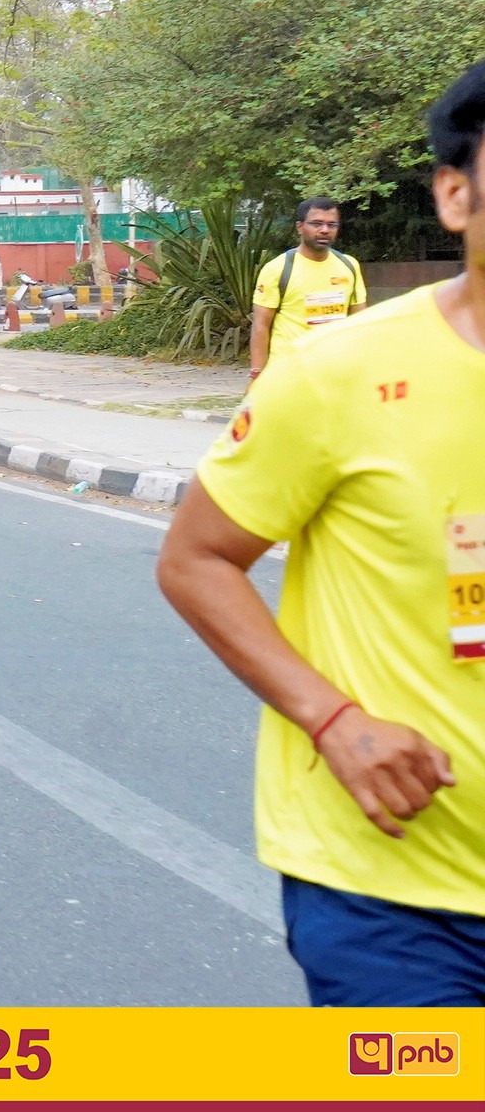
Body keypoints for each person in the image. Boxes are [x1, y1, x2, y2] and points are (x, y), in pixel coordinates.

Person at [156, 62, 485, 1007]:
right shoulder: (341, 375)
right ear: (454, 196)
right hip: (396, 898)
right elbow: (195, 558)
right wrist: (333, 720)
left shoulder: (346, 276)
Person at [249, 197, 368, 379]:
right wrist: (256, 374)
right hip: (289, 373)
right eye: (316, 224)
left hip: (335, 372)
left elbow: (360, 322)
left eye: (332, 225)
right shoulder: (278, 268)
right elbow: (261, 325)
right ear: (300, 227)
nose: (324, 230)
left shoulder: (349, 266)